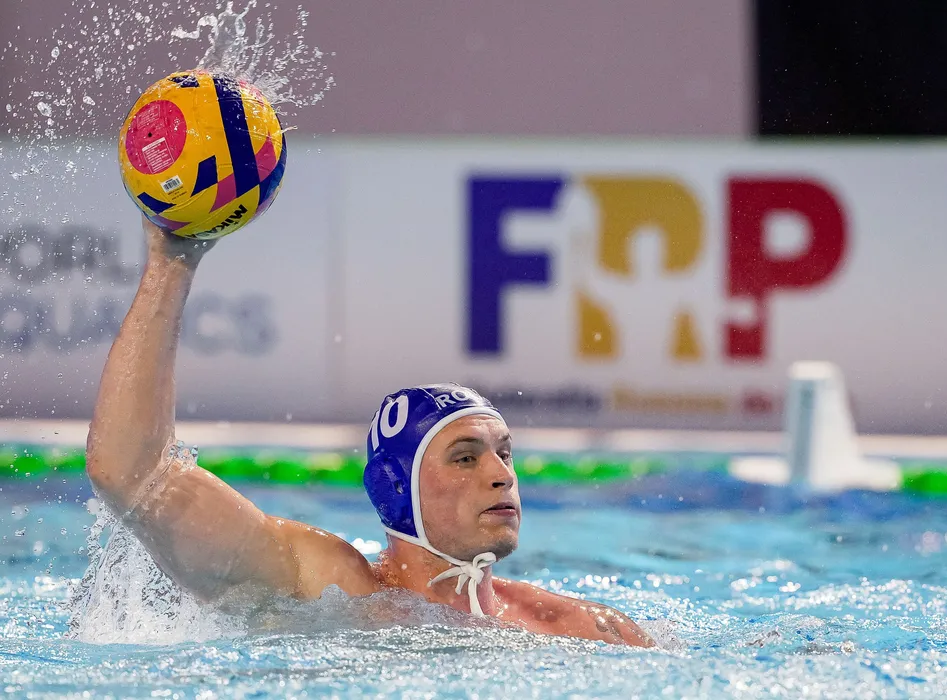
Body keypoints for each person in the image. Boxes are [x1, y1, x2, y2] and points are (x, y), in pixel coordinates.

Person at [85, 216, 654, 647]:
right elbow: (133, 474)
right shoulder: (325, 585)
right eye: (465, 457)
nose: (502, 475)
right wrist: (171, 263)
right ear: (395, 489)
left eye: (504, 453)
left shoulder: (580, 627)